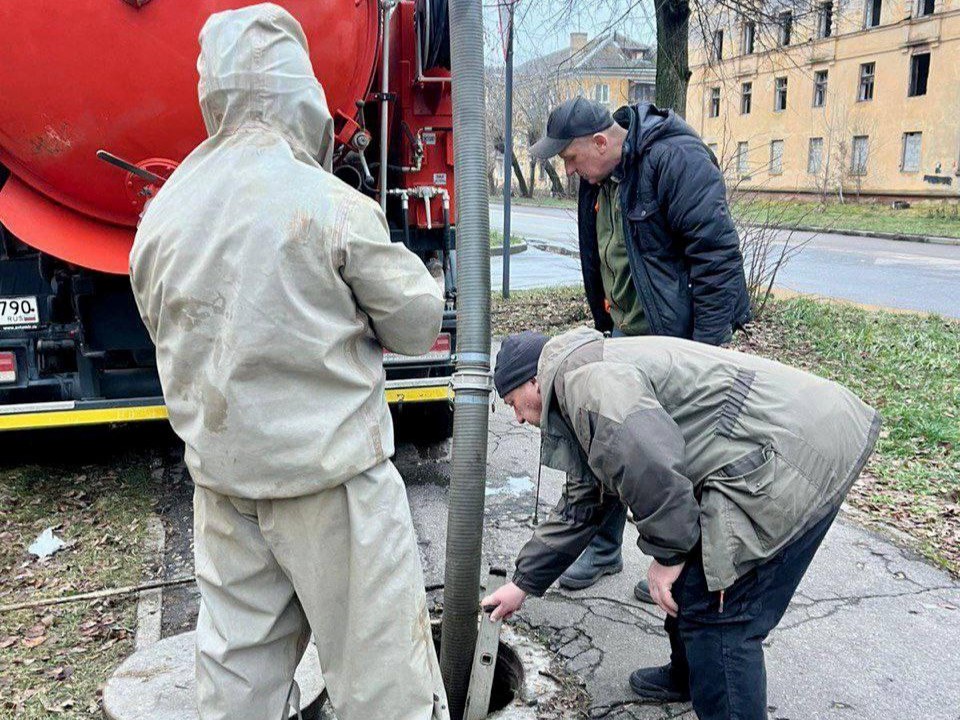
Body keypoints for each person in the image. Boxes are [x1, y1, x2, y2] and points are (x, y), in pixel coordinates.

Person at [129, 5, 448, 719]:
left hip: (224, 485)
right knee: (380, 681)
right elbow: (416, 322)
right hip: (332, 488)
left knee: (237, 672)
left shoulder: (166, 213)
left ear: (214, 91)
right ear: (298, 87)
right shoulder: (328, 204)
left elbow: (161, 324)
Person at [482, 327, 880, 719]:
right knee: (692, 577)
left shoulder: (589, 385)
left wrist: (668, 556)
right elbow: (584, 502)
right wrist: (523, 584)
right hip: (782, 439)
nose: (516, 418)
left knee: (721, 614)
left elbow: (651, 463)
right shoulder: (579, 381)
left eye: (513, 402)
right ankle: (690, 677)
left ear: (535, 381)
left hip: (793, 452)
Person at [529, 97, 752, 598]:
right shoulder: (598, 182)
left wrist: (706, 355)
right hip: (626, 333)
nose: (568, 170)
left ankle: (683, 570)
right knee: (607, 439)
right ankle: (603, 549)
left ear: (601, 142)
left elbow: (716, 259)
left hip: (681, 341)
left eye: (569, 158)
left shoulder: (675, 160)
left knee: (681, 457)